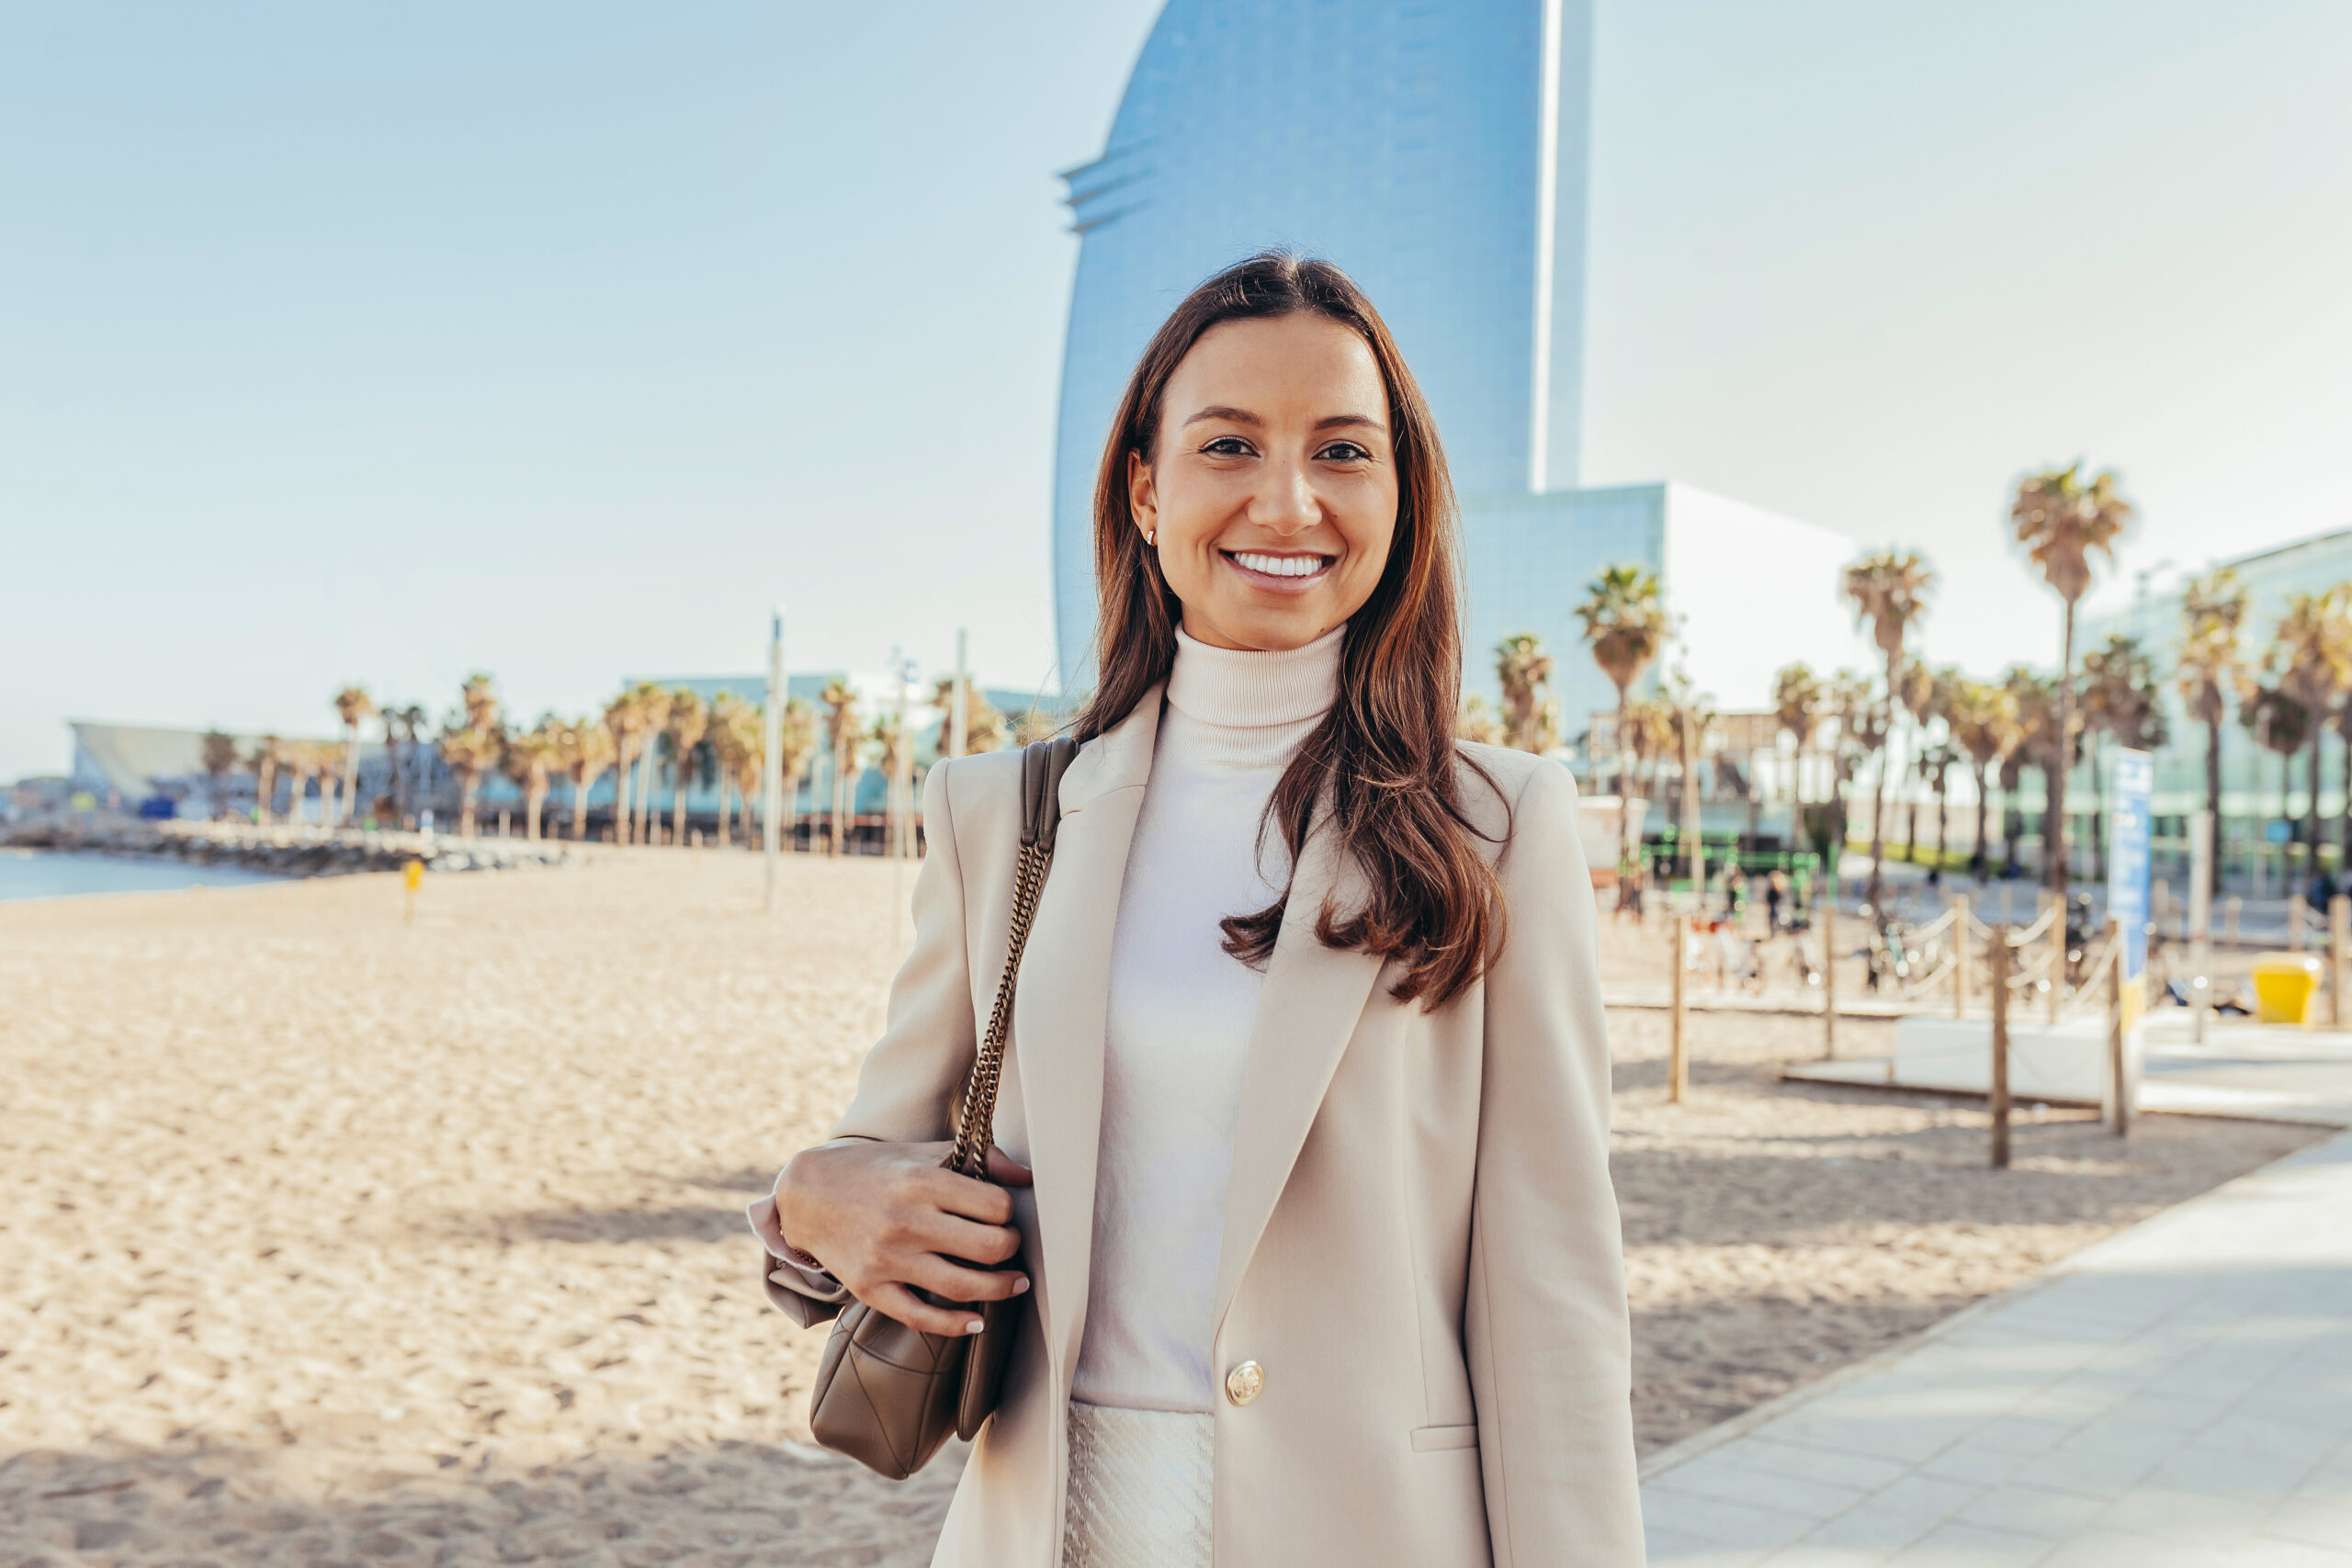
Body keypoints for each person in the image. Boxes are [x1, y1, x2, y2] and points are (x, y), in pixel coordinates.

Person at [751, 254, 1642, 1566]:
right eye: (1231, 444)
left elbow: (1555, 1303)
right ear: (1147, 487)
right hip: (1053, 1528)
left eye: (1345, 451)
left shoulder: (1497, 824)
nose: (1289, 499)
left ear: (1401, 495)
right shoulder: (1001, 813)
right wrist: (807, 1205)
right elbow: (884, 1181)